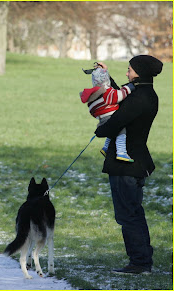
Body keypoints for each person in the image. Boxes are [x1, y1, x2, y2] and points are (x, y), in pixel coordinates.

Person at [94, 55, 163, 274]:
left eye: (130, 70)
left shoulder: (141, 97)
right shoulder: (142, 91)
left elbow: (117, 120)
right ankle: (142, 260)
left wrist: (100, 131)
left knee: (128, 215)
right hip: (132, 162)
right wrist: (106, 75)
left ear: (139, 73)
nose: (127, 73)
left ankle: (140, 263)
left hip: (127, 164)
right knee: (132, 212)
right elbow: (119, 97)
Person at [80, 67, 135, 162]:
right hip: (110, 117)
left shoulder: (94, 95)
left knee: (112, 132)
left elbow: (93, 110)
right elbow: (119, 95)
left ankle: (106, 147)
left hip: (102, 119)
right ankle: (121, 152)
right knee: (121, 131)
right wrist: (129, 87)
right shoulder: (106, 92)